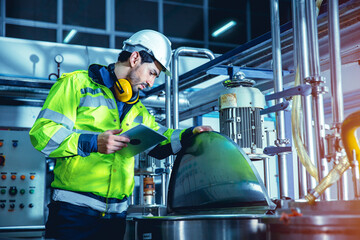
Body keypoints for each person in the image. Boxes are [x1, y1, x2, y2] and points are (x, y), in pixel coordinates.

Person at [29, 29, 213, 240]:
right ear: (135, 58)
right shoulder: (77, 85)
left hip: (115, 218)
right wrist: (92, 142)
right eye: (152, 72)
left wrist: (190, 134)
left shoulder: (137, 109)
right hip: (74, 214)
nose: (151, 83)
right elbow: (42, 134)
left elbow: (160, 142)